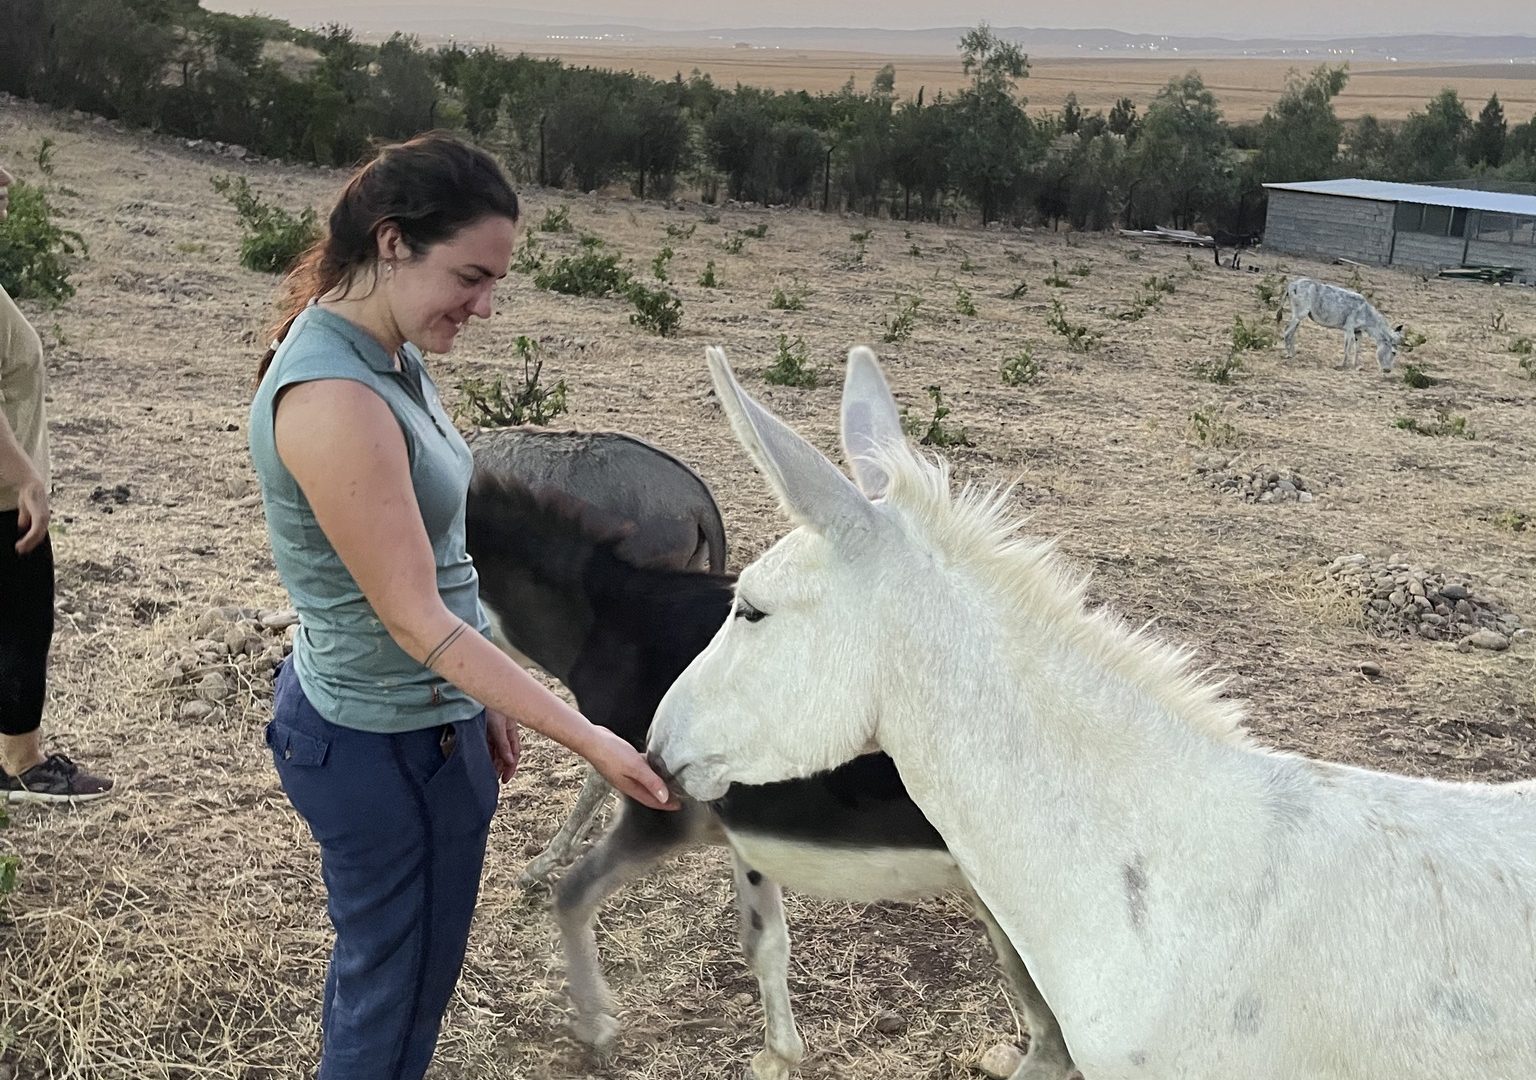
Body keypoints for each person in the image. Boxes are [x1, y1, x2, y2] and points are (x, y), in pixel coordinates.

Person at [248, 132, 678, 1080]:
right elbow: (415, 617)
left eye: (496, 283)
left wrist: (477, 694)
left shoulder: (385, 348)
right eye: (471, 276)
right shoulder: (336, 396)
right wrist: (594, 737)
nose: (485, 306)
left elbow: (438, 560)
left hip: (422, 726)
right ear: (394, 242)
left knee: (388, 983)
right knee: (391, 1013)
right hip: (387, 748)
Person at [0, 159, 115, 804]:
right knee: (21, 624)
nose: (7, 185)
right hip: (2, 497)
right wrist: (25, 479)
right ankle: (22, 764)